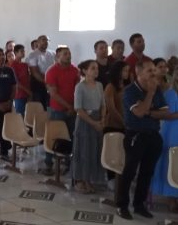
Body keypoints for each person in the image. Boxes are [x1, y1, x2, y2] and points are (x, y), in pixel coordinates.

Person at [116, 60, 168, 220]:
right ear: (139, 73)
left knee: (147, 172)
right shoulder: (131, 91)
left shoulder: (157, 89)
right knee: (129, 171)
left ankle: (139, 205)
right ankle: (122, 205)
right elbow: (138, 113)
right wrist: (150, 96)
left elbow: (164, 112)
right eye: (149, 71)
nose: (154, 73)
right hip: (135, 135)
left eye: (154, 70)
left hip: (153, 135)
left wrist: (149, 111)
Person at [44, 47, 79, 174]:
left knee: (71, 136)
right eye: (65, 54)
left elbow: (78, 90)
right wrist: (69, 106)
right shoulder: (52, 71)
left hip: (72, 109)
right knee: (54, 136)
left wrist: (74, 106)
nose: (68, 56)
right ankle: (48, 163)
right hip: (57, 109)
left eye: (69, 53)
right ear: (58, 57)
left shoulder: (75, 70)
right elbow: (53, 93)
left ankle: (68, 162)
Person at [72, 60, 105, 193]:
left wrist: (102, 120)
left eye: (97, 68)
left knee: (94, 151)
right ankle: (80, 179)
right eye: (92, 68)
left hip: (97, 121)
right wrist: (93, 123)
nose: (96, 71)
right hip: (85, 122)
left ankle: (90, 179)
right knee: (83, 151)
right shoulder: (80, 87)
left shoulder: (99, 85)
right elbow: (78, 109)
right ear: (85, 71)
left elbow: (103, 104)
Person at [151, 61, 178, 212]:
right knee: (171, 161)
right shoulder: (169, 91)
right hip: (172, 130)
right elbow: (164, 114)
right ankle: (171, 197)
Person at [103, 61, 129, 186]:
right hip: (113, 124)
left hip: (125, 123)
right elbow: (111, 109)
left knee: (122, 152)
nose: (127, 73)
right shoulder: (110, 87)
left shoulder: (125, 86)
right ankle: (111, 179)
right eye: (125, 71)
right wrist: (123, 122)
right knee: (112, 151)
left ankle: (122, 177)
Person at [27, 35, 56, 110]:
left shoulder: (53, 53)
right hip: (38, 84)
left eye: (47, 40)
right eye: (43, 40)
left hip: (51, 84)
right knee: (39, 107)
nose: (46, 42)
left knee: (50, 107)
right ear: (38, 42)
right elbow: (34, 72)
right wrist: (46, 82)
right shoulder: (33, 55)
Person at [9, 44, 31, 115]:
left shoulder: (25, 65)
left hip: (27, 93)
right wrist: (28, 91)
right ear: (15, 53)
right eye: (21, 51)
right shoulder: (13, 65)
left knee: (28, 114)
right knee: (20, 114)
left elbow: (28, 78)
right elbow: (16, 82)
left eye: (24, 51)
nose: (23, 53)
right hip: (19, 94)